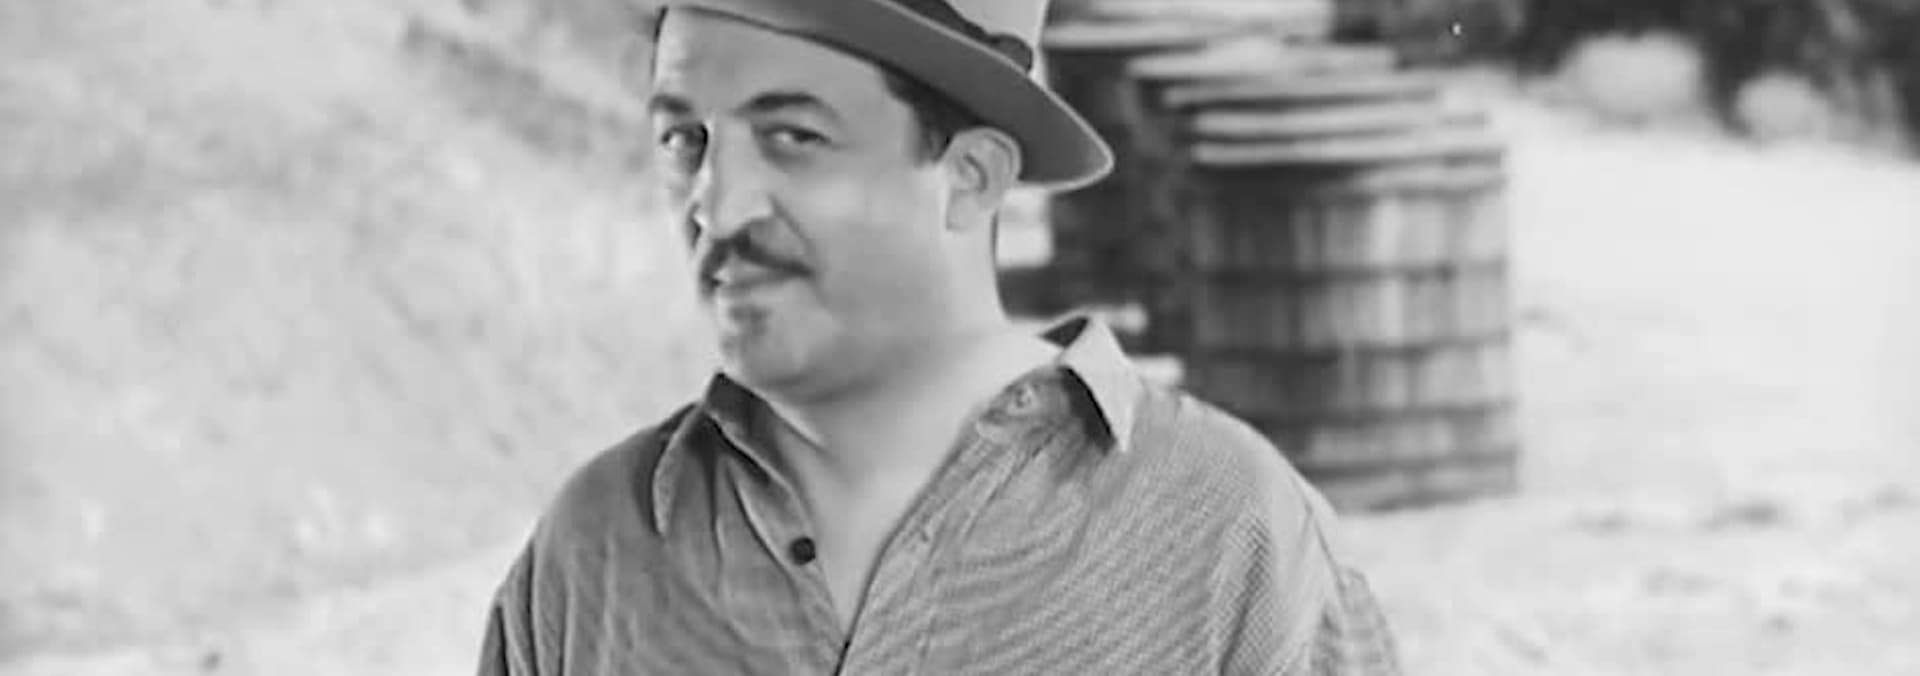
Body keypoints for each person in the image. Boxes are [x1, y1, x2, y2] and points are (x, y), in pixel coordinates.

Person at [477, 0, 1401, 673]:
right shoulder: (592, 555)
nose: (717, 209)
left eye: (792, 135)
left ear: (970, 177)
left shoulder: (1231, 538)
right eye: (687, 140)